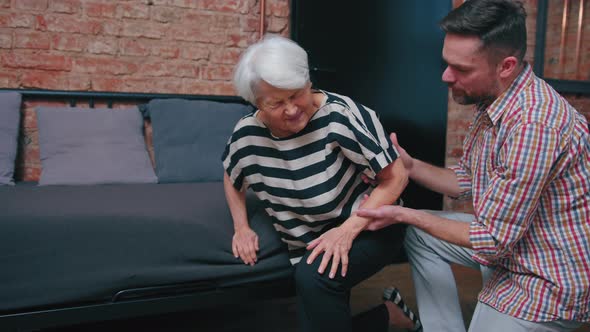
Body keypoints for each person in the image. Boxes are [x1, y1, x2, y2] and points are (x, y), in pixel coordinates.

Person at [357, 0, 590, 331]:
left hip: (546, 278)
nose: (445, 76)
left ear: (505, 66)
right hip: (513, 247)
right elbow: (464, 180)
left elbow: (492, 239)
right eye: (446, 63)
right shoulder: (495, 102)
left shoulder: (533, 125)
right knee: (420, 235)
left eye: (461, 69)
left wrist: (401, 212)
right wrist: (410, 166)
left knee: (412, 222)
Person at [222, 34, 422, 332]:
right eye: (276, 103)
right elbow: (232, 176)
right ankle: (389, 317)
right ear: (256, 103)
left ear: (307, 81)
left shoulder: (342, 117)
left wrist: (347, 230)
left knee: (313, 276)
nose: (291, 109)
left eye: (295, 94)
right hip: (310, 241)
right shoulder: (247, 135)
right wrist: (242, 227)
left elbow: (396, 177)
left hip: (370, 228)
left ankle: (388, 316)